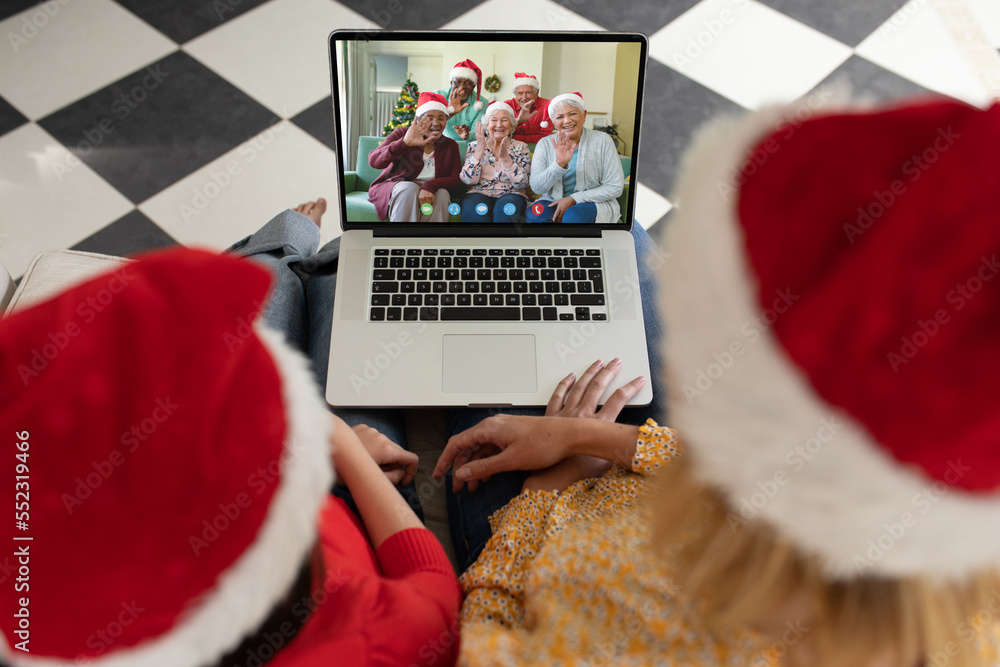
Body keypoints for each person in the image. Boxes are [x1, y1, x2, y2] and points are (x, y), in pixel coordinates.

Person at [436, 97, 1000, 665]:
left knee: (480, 340)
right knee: (616, 235)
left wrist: (544, 491)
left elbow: (483, 642)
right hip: (627, 472)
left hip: (546, 527)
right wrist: (585, 438)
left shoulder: (595, 586)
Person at [0, 239, 460, 666]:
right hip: (347, 501)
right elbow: (434, 588)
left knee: (284, 278)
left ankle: (290, 242)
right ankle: (301, 247)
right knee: (335, 275)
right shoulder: (378, 639)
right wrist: (335, 438)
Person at [527, 92, 624, 224]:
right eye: (559, 117)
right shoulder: (544, 144)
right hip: (552, 200)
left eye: (572, 114)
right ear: (553, 122)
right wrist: (559, 164)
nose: (567, 121)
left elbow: (615, 187)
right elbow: (537, 188)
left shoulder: (603, 140)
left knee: (573, 216)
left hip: (593, 202)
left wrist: (574, 199)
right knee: (535, 215)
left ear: (584, 115)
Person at [368, 91, 462, 223]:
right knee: (409, 189)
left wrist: (430, 185)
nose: (436, 123)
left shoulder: (450, 145)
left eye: (441, 118)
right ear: (419, 120)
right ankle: (403, 241)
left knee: (442, 194)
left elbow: (455, 180)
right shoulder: (403, 133)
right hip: (398, 187)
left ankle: (431, 241)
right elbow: (374, 161)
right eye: (429, 118)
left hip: (431, 189)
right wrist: (404, 143)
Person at [459, 101, 531, 222]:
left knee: (505, 213)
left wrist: (507, 161)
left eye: (504, 120)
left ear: (512, 125)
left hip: (511, 194)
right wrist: (480, 149)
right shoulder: (474, 146)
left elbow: (522, 184)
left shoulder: (521, 147)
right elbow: (467, 180)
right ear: (487, 125)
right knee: (474, 213)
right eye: (494, 120)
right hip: (478, 193)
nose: (499, 124)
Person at [435, 58, 487, 141]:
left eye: (468, 84)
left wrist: (467, 135)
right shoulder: (438, 96)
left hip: (466, 146)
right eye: (457, 82)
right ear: (451, 83)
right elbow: (430, 124)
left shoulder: (482, 103)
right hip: (439, 143)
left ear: (473, 86)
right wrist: (449, 114)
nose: (462, 87)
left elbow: (477, 133)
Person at [504, 72, 553, 145]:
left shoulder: (546, 106)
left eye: (528, 93)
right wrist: (518, 121)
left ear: (536, 93)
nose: (524, 97)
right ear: (515, 94)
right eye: (520, 93)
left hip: (537, 148)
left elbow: (545, 137)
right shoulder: (507, 106)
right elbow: (502, 132)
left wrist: (513, 137)